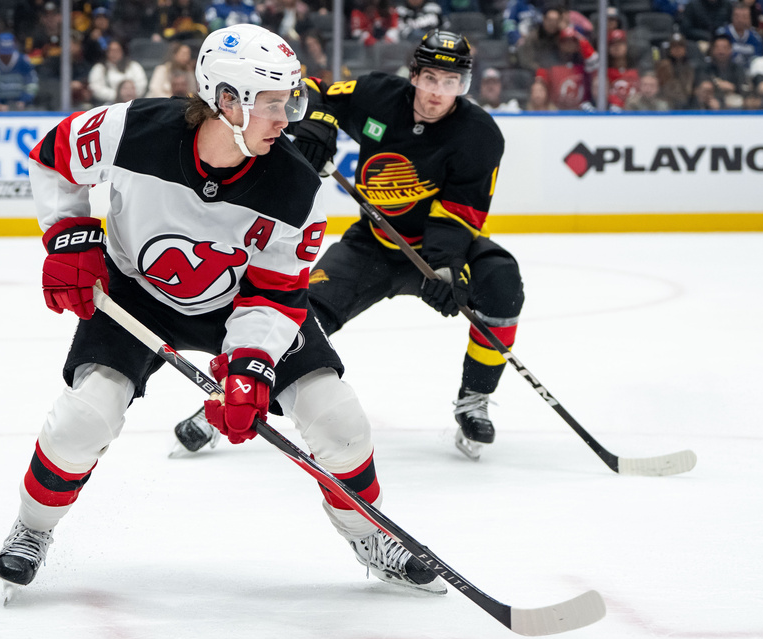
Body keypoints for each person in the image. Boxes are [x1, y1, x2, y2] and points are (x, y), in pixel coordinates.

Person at [0, 24, 445, 596]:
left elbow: (276, 291)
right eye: (272, 104)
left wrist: (252, 363)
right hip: (137, 292)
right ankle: (31, 530)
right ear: (226, 99)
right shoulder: (131, 129)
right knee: (86, 415)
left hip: (240, 304)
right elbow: (55, 157)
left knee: (338, 419)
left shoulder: (295, 186)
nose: (287, 119)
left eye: (290, 102)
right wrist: (70, 236)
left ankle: (371, 534)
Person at [175, 30, 523, 460]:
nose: (438, 93)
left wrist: (447, 267)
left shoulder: (479, 135)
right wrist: (320, 123)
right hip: (372, 246)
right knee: (298, 312)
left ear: (463, 86)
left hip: (439, 249)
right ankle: (233, 399)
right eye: (430, 78)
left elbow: (457, 213)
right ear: (414, 74)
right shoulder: (378, 94)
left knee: (501, 282)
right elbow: (312, 91)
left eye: (450, 83)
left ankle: (474, 400)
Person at [0, 32, 38, 110]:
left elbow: (32, 83)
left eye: (8, 54)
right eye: (3, 53)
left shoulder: (23, 61)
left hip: (22, 106)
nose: (5, 56)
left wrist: (24, 100)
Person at [88, 39, 148, 105]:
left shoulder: (134, 66)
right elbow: (95, 88)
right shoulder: (99, 68)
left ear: (122, 51)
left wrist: (129, 94)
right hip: (107, 104)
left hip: (133, 103)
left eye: (117, 50)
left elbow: (142, 84)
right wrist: (118, 96)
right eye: (111, 50)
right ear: (107, 52)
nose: (114, 53)